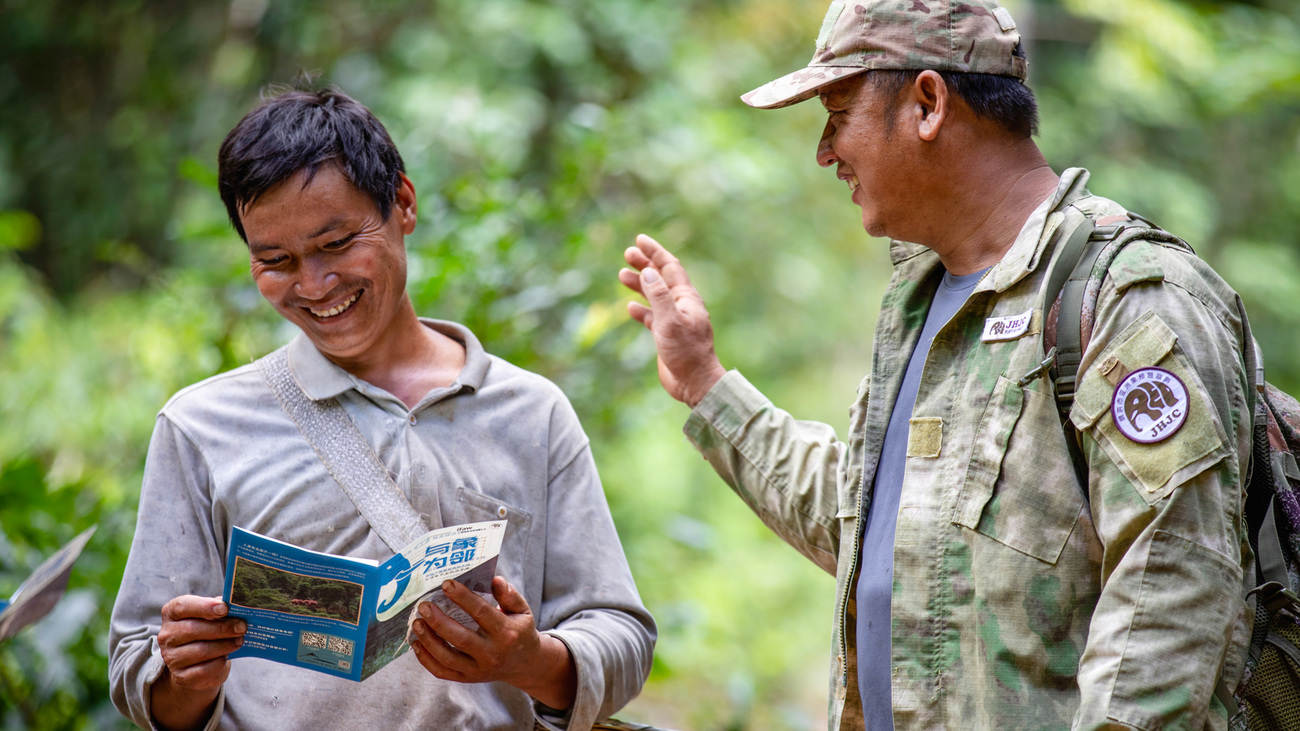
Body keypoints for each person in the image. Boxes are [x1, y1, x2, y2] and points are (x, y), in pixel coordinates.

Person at [619, 1, 1255, 730]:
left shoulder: (1127, 300)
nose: (825, 151)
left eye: (838, 112)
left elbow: (1170, 595)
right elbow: (873, 529)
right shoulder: (922, 307)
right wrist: (704, 382)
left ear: (927, 103)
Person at [109, 87, 655, 731]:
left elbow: (621, 636)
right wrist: (184, 676)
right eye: (275, 261)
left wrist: (529, 660)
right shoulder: (199, 426)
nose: (314, 285)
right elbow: (137, 670)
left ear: (403, 203)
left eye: (338, 243)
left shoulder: (531, 412)